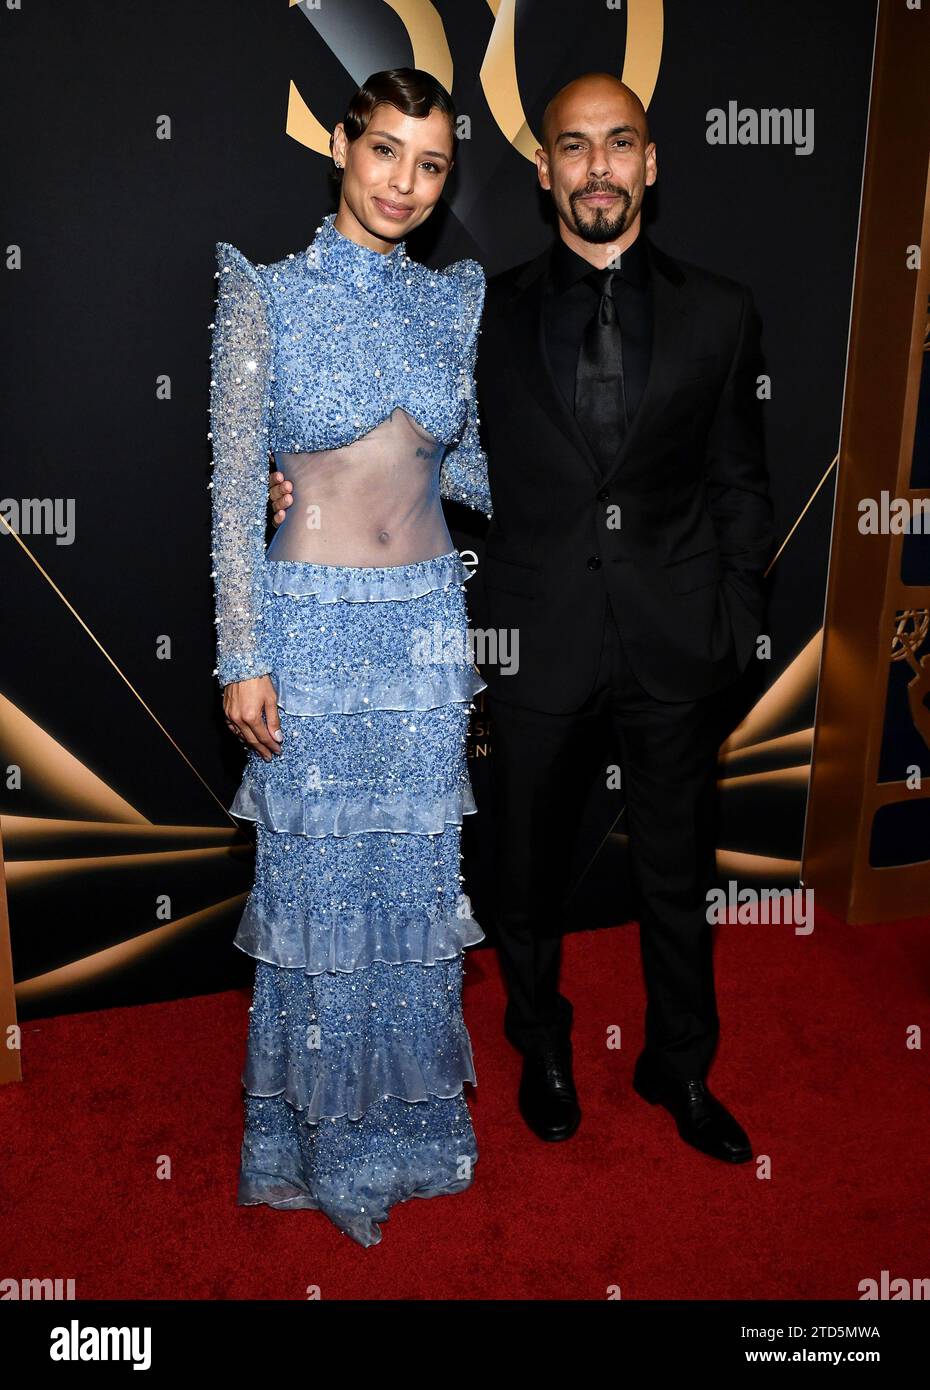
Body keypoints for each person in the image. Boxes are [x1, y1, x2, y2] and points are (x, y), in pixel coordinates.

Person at [270, 72, 775, 1165]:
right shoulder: (477, 309)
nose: (599, 167)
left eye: (620, 143)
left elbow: (742, 481)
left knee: (677, 876)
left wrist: (735, 620)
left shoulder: (722, 311)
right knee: (525, 872)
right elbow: (414, 442)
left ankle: (680, 1065)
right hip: (533, 638)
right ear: (542, 169)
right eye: (574, 147)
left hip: (678, 640)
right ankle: (542, 1045)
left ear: (651, 160)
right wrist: (299, 482)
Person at [209, 68, 493, 1248]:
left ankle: (417, 1132)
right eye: (385, 153)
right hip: (311, 632)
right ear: (340, 146)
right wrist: (242, 652)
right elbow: (234, 489)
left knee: (416, 895)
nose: (404, 185)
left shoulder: (454, 302)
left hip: (425, 628)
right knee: (322, 895)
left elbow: (472, 470)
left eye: (429, 165)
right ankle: (321, 1142)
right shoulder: (263, 296)